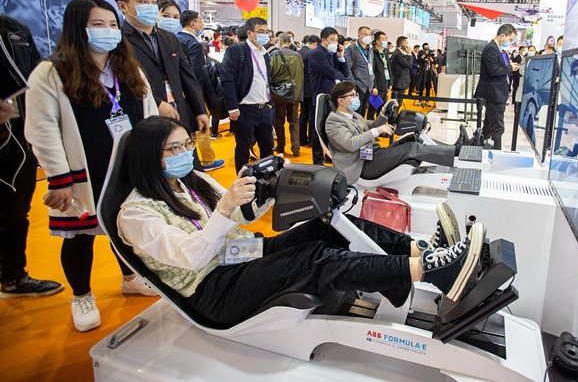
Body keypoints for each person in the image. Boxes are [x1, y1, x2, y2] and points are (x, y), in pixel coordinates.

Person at [117, 116, 486, 326]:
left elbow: (239, 217)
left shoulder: (190, 183)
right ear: (150, 156)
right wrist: (225, 207)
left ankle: (420, 250)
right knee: (312, 258)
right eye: (174, 149)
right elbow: (195, 257)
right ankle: (431, 270)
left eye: (187, 145)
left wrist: (266, 193)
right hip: (211, 288)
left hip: (241, 253)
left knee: (324, 224)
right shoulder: (135, 214)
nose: (185, 154)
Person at [24, 0, 159, 332]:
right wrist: (59, 178)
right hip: (82, 171)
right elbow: (42, 128)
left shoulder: (128, 68)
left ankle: (130, 276)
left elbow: (150, 112)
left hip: (126, 168)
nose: (108, 31)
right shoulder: (52, 72)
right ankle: (81, 295)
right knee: (80, 237)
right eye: (98, 24)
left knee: (124, 228)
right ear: (77, 28)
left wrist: (154, 158)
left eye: (113, 25)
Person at [0, 15, 63, 298]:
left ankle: (13, 276)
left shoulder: (16, 29)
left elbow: (33, 82)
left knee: (16, 212)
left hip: (17, 141)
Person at [113, 0, 209, 144]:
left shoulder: (168, 37)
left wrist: (200, 110)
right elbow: (122, 81)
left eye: (153, 2)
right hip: (145, 115)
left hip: (180, 112)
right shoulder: (119, 40)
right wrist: (156, 102)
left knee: (187, 160)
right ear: (123, 6)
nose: (150, 7)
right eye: (142, 2)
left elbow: (186, 76)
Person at [325, 82, 466, 185]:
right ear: (341, 100)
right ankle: (458, 151)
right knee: (412, 148)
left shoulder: (354, 115)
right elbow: (350, 143)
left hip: (372, 154)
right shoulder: (334, 121)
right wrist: (377, 131)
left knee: (413, 139)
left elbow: (372, 125)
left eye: (356, 94)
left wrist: (384, 112)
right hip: (361, 166)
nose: (356, 97)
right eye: (352, 95)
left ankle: (452, 149)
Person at [168, 2, 224, 172]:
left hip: (176, 95)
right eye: (200, 20)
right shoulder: (193, 44)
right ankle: (207, 160)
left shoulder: (173, 39)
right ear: (193, 24)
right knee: (201, 127)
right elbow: (196, 74)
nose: (203, 24)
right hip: (193, 94)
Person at [220, 17, 274, 173]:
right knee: (243, 149)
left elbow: (265, 80)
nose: (265, 35)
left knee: (267, 147)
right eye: (261, 32)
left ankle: (268, 179)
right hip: (244, 109)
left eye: (267, 32)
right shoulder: (236, 50)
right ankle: (242, 181)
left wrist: (270, 103)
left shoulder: (264, 53)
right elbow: (227, 79)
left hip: (263, 108)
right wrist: (232, 107)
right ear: (250, 33)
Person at [308, 27, 350, 165]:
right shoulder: (316, 54)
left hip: (331, 97)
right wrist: (341, 76)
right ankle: (317, 160)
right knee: (318, 129)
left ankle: (328, 155)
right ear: (323, 40)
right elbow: (332, 72)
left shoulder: (332, 54)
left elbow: (345, 72)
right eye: (332, 40)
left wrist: (341, 56)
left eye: (337, 40)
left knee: (329, 128)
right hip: (320, 96)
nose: (335, 42)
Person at [474, 24, 519, 150]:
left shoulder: (497, 49)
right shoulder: (491, 49)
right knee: (497, 128)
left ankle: (480, 149)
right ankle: (496, 155)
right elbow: (493, 71)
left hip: (496, 93)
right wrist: (509, 68)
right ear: (503, 35)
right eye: (510, 39)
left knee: (489, 125)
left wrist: (508, 65)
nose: (510, 42)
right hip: (493, 94)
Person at [269, 33, 303, 158]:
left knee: (279, 121)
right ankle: (296, 148)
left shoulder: (274, 55)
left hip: (279, 94)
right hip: (294, 94)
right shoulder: (298, 56)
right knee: (294, 122)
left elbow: (270, 74)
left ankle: (281, 147)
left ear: (280, 41)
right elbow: (300, 76)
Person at [343, 25, 374, 117]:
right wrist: (354, 84)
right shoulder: (351, 48)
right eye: (365, 34)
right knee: (355, 112)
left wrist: (373, 83)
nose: (367, 36)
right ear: (359, 35)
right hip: (358, 85)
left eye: (369, 34)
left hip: (368, 86)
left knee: (363, 112)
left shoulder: (370, 49)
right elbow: (346, 68)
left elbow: (371, 67)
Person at [298, 35, 319, 147]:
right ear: (314, 44)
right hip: (311, 88)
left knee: (303, 114)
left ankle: (301, 139)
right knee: (312, 115)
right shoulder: (312, 54)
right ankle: (311, 140)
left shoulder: (298, 52)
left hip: (301, 89)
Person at [368, 31, 391, 120]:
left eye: (386, 39)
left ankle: (379, 128)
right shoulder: (373, 53)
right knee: (373, 108)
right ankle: (370, 127)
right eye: (383, 39)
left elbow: (388, 69)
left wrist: (390, 83)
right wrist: (374, 86)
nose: (385, 41)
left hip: (385, 85)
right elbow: (371, 71)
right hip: (377, 86)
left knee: (382, 109)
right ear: (377, 41)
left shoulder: (384, 53)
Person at [389, 36, 412, 104]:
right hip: (399, 82)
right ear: (403, 45)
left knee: (398, 102)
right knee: (397, 103)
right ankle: (394, 115)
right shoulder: (398, 54)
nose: (408, 46)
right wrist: (409, 54)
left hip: (400, 82)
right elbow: (409, 65)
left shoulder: (400, 53)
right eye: (407, 44)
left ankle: (395, 114)